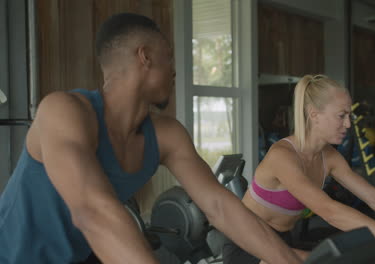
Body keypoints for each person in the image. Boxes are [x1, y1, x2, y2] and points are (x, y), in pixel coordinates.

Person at [0, 13, 304, 264]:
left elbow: (221, 207)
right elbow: (92, 212)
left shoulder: (166, 134)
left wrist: (288, 260)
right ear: (144, 56)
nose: (174, 71)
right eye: (169, 57)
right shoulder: (63, 111)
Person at [223, 74, 375, 264]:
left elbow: (374, 197)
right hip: (246, 244)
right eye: (341, 116)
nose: (348, 124)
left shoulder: (329, 156)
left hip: (282, 239)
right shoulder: (283, 156)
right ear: (313, 115)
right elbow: (329, 211)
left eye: (349, 115)